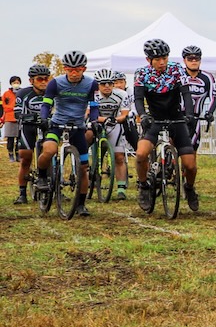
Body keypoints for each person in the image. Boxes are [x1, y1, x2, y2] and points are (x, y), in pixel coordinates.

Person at [133, 39, 200, 213]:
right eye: (157, 59)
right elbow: (138, 99)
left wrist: (190, 114)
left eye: (164, 57)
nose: (162, 62)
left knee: (190, 165)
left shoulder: (176, 70)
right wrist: (143, 115)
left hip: (175, 117)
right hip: (154, 118)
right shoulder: (141, 74)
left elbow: (186, 94)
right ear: (149, 60)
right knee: (141, 154)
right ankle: (143, 186)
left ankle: (190, 188)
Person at [35, 51, 99, 217]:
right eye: (70, 69)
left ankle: (81, 204)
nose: (74, 73)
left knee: (83, 167)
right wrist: (43, 118)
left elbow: (94, 106)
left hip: (78, 127)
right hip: (57, 125)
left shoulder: (91, 84)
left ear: (84, 69)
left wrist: (94, 121)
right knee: (48, 151)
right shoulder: (55, 83)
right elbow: (46, 104)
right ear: (65, 69)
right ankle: (41, 176)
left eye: (78, 69)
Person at [12, 65, 50, 204]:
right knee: (25, 159)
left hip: (47, 126)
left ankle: (55, 186)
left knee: (50, 155)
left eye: (46, 79)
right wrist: (29, 117)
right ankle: (22, 193)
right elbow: (17, 113)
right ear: (31, 81)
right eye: (40, 79)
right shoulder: (23, 93)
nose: (44, 82)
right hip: (29, 127)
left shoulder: (53, 93)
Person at [93, 68, 133, 201]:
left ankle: (121, 188)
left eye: (110, 83)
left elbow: (124, 115)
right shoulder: (93, 95)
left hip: (114, 124)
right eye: (103, 84)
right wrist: (102, 120)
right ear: (98, 84)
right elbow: (88, 113)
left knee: (119, 156)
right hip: (96, 124)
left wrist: (113, 120)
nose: (107, 86)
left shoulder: (121, 94)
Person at [181, 45, 216, 153]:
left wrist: (209, 112)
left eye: (196, 58)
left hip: (195, 119)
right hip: (177, 117)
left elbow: (213, 97)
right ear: (184, 60)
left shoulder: (208, 77)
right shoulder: (178, 75)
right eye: (190, 59)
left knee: (191, 155)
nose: (193, 61)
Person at [3, 75, 20, 162]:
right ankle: (10, 154)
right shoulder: (6, 94)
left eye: (17, 82)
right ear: (11, 83)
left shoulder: (22, 92)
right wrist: (13, 107)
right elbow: (4, 106)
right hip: (9, 118)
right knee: (10, 138)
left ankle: (18, 154)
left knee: (19, 138)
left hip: (19, 118)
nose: (16, 84)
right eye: (14, 83)